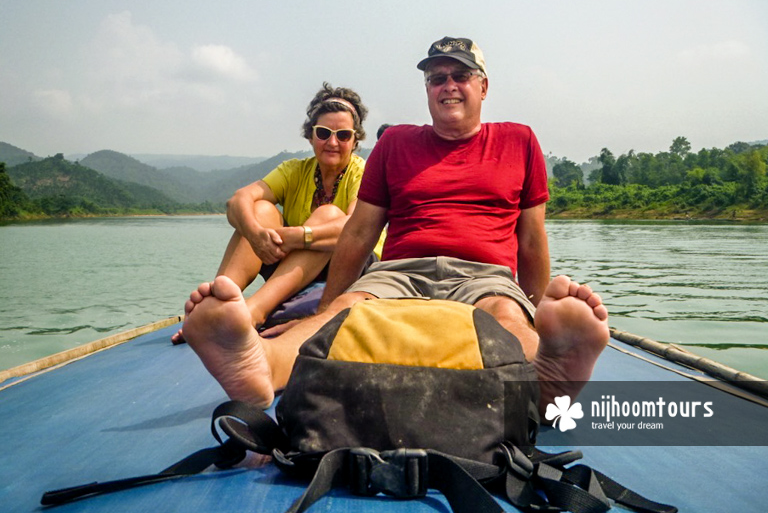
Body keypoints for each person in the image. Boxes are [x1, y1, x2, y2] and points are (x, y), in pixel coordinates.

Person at [181, 37, 610, 413]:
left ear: (483, 86)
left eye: (460, 75)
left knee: (504, 317)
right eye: (436, 78)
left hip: (484, 275)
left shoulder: (519, 141)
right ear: (427, 90)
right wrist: (328, 308)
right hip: (399, 271)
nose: (448, 85)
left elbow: (531, 240)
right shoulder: (396, 143)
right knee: (351, 312)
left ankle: (546, 377)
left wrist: (533, 310)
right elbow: (359, 233)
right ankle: (263, 364)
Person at [172, 82, 378, 344]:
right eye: (324, 133)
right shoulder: (295, 170)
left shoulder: (362, 173)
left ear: (355, 139)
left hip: (350, 265)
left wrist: (296, 236)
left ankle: (253, 312)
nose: (333, 143)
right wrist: (256, 233)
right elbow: (237, 201)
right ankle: (217, 304)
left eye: (344, 135)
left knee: (328, 214)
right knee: (259, 210)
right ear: (311, 135)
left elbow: (356, 228)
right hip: (295, 267)